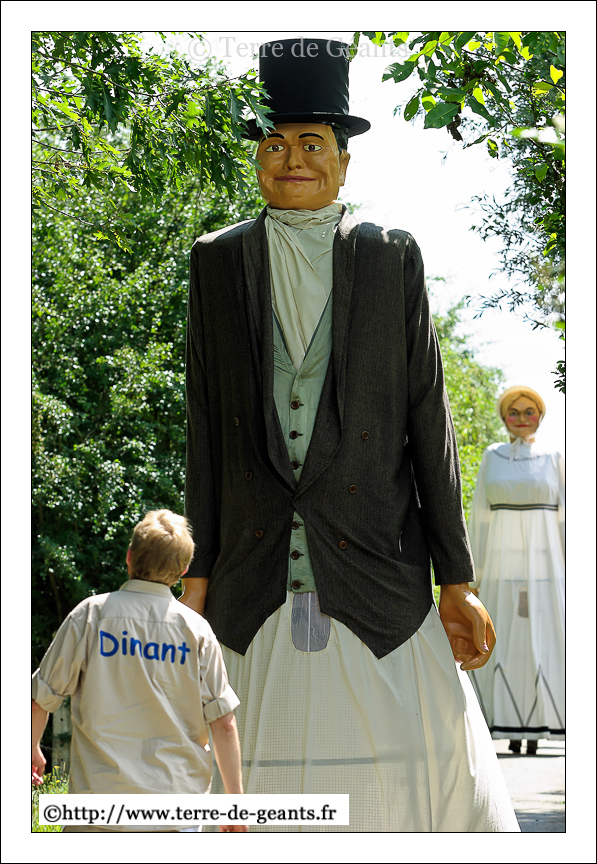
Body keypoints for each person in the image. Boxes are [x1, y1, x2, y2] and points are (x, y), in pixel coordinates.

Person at [181, 39, 519, 832]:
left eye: (311, 142)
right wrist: (196, 575)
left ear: (343, 160)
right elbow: (204, 427)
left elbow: (427, 419)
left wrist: (456, 578)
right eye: (274, 144)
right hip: (250, 575)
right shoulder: (215, 259)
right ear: (256, 158)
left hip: (377, 568)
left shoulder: (388, 254)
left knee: (405, 771)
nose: (291, 159)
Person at [32, 509, 247, 833]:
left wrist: (31, 747)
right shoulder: (197, 631)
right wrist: (234, 804)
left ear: (129, 557)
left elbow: (40, 699)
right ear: (183, 570)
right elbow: (224, 725)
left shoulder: (90, 615)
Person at [468, 386, 565, 755]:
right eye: (514, 412)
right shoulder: (492, 456)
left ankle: (541, 727)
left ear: (540, 415)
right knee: (504, 642)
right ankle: (505, 725)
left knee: (544, 641)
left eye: (529, 411)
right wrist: (472, 579)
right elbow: (479, 517)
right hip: (499, 571)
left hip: (548, 572)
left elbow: (566, 518)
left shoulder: (554, 456)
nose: (522, 419)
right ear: (503, 416)